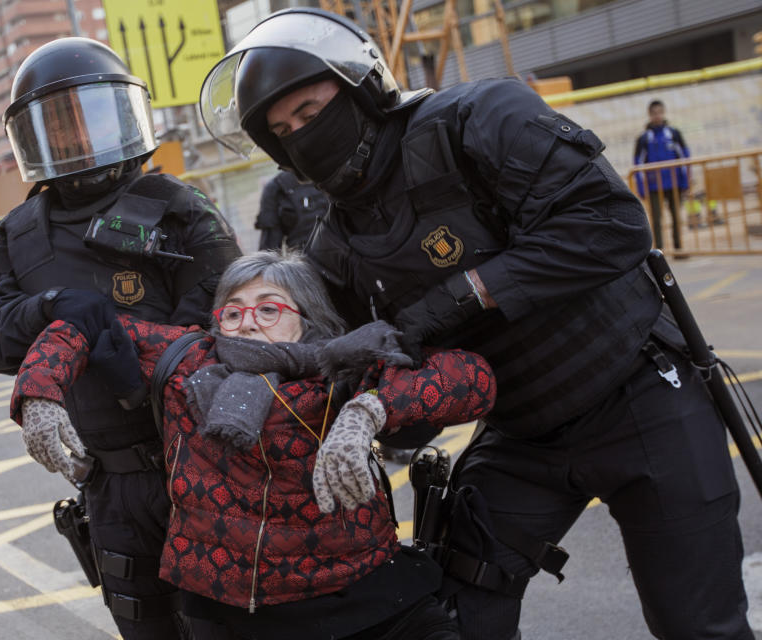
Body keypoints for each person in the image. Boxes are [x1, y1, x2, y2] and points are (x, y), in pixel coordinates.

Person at [198, 9, 753, 640]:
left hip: (639, 392)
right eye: (284, 129)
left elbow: (610, 225)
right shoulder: (335, 250)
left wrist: (457, 299)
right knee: (453, 615)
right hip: (521, 432)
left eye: (311, 110)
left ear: (358, 88)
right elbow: (365, 377)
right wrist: (365, 408)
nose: (303, 134)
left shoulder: (477, 120)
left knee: (698, 624)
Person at [9, 251, 496, 640]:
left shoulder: (346, 367)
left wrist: (367, 411)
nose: (247, 322)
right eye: (233, 310)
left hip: (367, 597)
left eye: (268, 308)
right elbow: (86, 325)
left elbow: (473, 379)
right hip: (232, 614)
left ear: (307, 318)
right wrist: (39, 392)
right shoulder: (186, 361)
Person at [0, 37, 242, 640]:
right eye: (58, 125)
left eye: (89, 115)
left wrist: (118, 352)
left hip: (198, 465)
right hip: (108, 484)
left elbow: (225, 330)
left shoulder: (178, 208)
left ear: (122, 114)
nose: (78, 138)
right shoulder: (20, 230)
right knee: (144, 627)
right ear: (33, 139)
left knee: (225, 626)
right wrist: (53, 308)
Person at [633, 99, 691, 250]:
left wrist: (685, 181)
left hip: (674, 183)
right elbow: (637, 163)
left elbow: (684, 156)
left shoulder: (673, 134)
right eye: (654, 113)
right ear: (649, 115)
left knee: (676, 217)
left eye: (659, 112)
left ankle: (679, 248)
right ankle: (660, 251)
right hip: (653, 186)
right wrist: (641, 187)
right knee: (656, 219)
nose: (657, 116)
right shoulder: (644, 138)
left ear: (663, 113)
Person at [255, 170, 328, 250]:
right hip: (306, 256)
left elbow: (268, 248)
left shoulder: (275, 186)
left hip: (308, 256)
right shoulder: (275, 188)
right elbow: (269, 246)